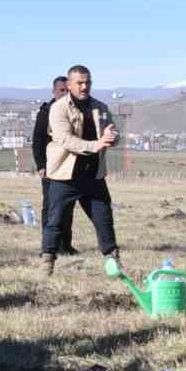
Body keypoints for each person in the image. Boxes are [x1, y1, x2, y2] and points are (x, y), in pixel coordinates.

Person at [41, 65, 119, 272]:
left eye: (88, 82)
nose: (85, 87)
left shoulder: (100, 107)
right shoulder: (58, 108)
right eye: (80, 83)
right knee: (55, 221)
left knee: (104, 221)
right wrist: (97, 145)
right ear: (69, 85)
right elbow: (65, 139)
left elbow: (112, 132)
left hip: (93, 176)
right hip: (65, 175)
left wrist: (113, 137)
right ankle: (47, 263)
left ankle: (114, 264)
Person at [31, 75, 76, 254]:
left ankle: (66, 245)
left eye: (67, 91)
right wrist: (41, 165)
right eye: (61, 91)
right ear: (54, 92)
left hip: (70, 166)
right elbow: (38, 140)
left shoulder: (74, 111)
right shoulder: (46, 111)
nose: (65, 94)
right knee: (50, 207)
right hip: (50, 167)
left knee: (68, 207)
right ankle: (49, 247)